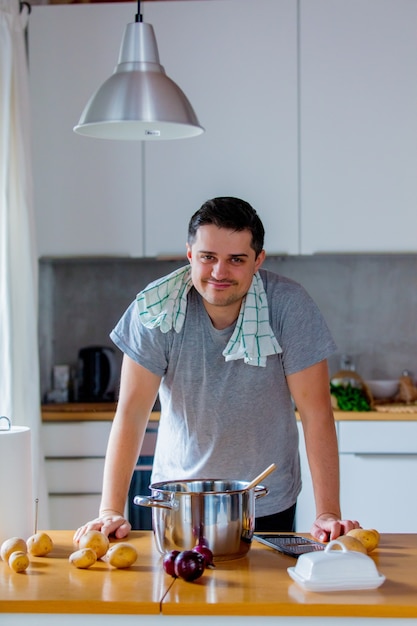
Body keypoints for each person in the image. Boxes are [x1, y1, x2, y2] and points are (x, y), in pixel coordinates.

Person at [74, 196, 360, 545]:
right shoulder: (154, 310)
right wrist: (109, 511)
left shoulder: (289, 306)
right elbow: (132, 413)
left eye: (236, 260)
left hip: (265, 502)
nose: (219, 273)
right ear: (190, 254)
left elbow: (316, 414)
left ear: (258, 261)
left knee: (265, 597)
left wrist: (327, 512)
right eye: (208, 257)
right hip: (177, 500)